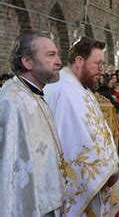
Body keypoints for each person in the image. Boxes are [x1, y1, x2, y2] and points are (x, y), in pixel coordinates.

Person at [44, 37, 119, 217]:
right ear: (79, 61)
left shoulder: (80, 87)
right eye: (98, 63)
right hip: (81, 184)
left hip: (99, 182)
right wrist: (107, 169)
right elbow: (69, 142)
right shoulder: (63, 90)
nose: (102, 70)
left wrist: (112, 165)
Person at [0, 32, 66, 216]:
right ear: (27, 62)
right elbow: (8, 165)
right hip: (27, 204)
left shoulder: (32, 94)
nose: (59, 61)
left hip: (47, 199)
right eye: (50, 55)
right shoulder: (12, 102)